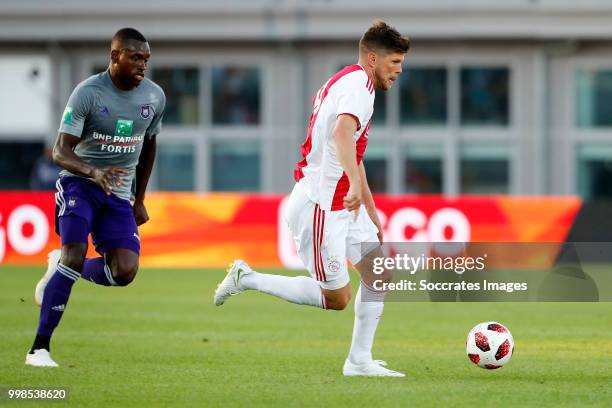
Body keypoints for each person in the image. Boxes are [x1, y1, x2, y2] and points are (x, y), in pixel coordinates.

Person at [214, 21, 409, 377]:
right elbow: (341, 134)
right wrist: (352, 186)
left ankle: (359, 362)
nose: (399, 70)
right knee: (336, 299)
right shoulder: (360, 89)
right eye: (394, 62)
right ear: (372, 58)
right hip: (322, 206)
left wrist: (368, 204)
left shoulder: (349, 81)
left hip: (343, 202)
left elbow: (353, 148)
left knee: (377, 272)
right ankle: (247, 278)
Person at [25, 28, 165, 367]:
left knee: (125, 272)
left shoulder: (154, 97)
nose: (142, 65)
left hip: (118, 194)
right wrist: (93, 172)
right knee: (74, 255)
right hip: (80, 185)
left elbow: (149, 146)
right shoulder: (88, 93)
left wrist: (139, 198)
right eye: (135, 58)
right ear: (115, 56)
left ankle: (57, 267)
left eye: (146, 59)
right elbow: (60, 151)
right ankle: (39, 349)